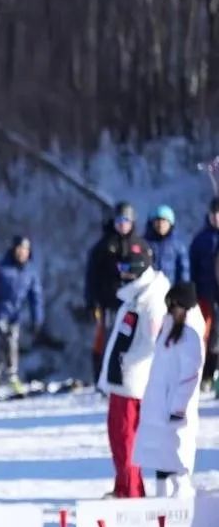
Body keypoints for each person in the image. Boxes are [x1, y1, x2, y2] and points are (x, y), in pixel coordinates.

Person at [97, 242, 169, 498]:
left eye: (126, 268)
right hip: (121, 381)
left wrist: (128, 360)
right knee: (117, 437)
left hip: (133, 384)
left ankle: (131, 490)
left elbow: (155, 342)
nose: (121, 274)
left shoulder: (153, 300)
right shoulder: (134, 295)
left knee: (127, 441)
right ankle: (123, 485)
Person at [135, 282, 205, 499]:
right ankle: (160, 500)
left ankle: (181, 497)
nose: (171, 312)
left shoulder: (190, 336)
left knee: (178, 454)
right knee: (160, 456)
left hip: (176, 410)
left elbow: (189, 376)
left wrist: (178, 406)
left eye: (175, 307)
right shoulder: (168, 333)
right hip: (159, 407)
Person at [86, 201, 139, 382]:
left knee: (130, 340)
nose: (122, 224)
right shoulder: (103, 246)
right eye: (119, 220)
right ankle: (101, 376)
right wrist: (91, 301)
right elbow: (91, 276)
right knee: (105, 338)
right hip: (107, 301)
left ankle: (126, 375)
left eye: (126, 220)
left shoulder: (138, 245)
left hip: (132, 303)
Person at [0, 236, 44, 395]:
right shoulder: (1, 267)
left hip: (15, 315)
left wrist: (37, 318)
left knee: (5, 345)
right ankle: (12, 375)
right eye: (19, 249)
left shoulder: (30, 272)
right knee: (8, 341)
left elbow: (36, 297)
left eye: (25, 249)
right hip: (0, 312)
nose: (22, 253)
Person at [188, 197, 219, 390]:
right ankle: (204, 375)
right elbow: (192, 269)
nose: (216, 217)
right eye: (214, 214)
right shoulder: (201, 240)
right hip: (206, 296)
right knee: (205, 336)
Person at [145, 205, 189, 286]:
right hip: (149, 291)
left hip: (171, 289)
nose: (161, 225)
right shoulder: (145, 243)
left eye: (164, 221)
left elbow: (184, 269)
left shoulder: (177, 245)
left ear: (170, 224)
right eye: (157, 221)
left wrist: (183, 288)